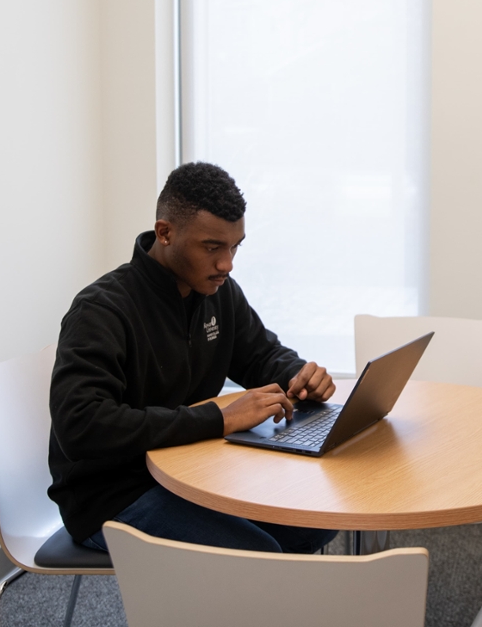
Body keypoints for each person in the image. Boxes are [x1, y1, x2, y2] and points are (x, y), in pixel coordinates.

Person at [48, 162, 338, 554]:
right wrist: (220, 419)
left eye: (235, 246)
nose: (227, 264)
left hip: (193, 473)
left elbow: (260, 354)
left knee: (314, 523)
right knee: (259, 555)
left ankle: (253, 588)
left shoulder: (217, 291)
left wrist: (299, 375)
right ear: (165, 233)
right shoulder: (102, 310)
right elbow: (82, 426)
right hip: (113, 493)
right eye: (212, 247)